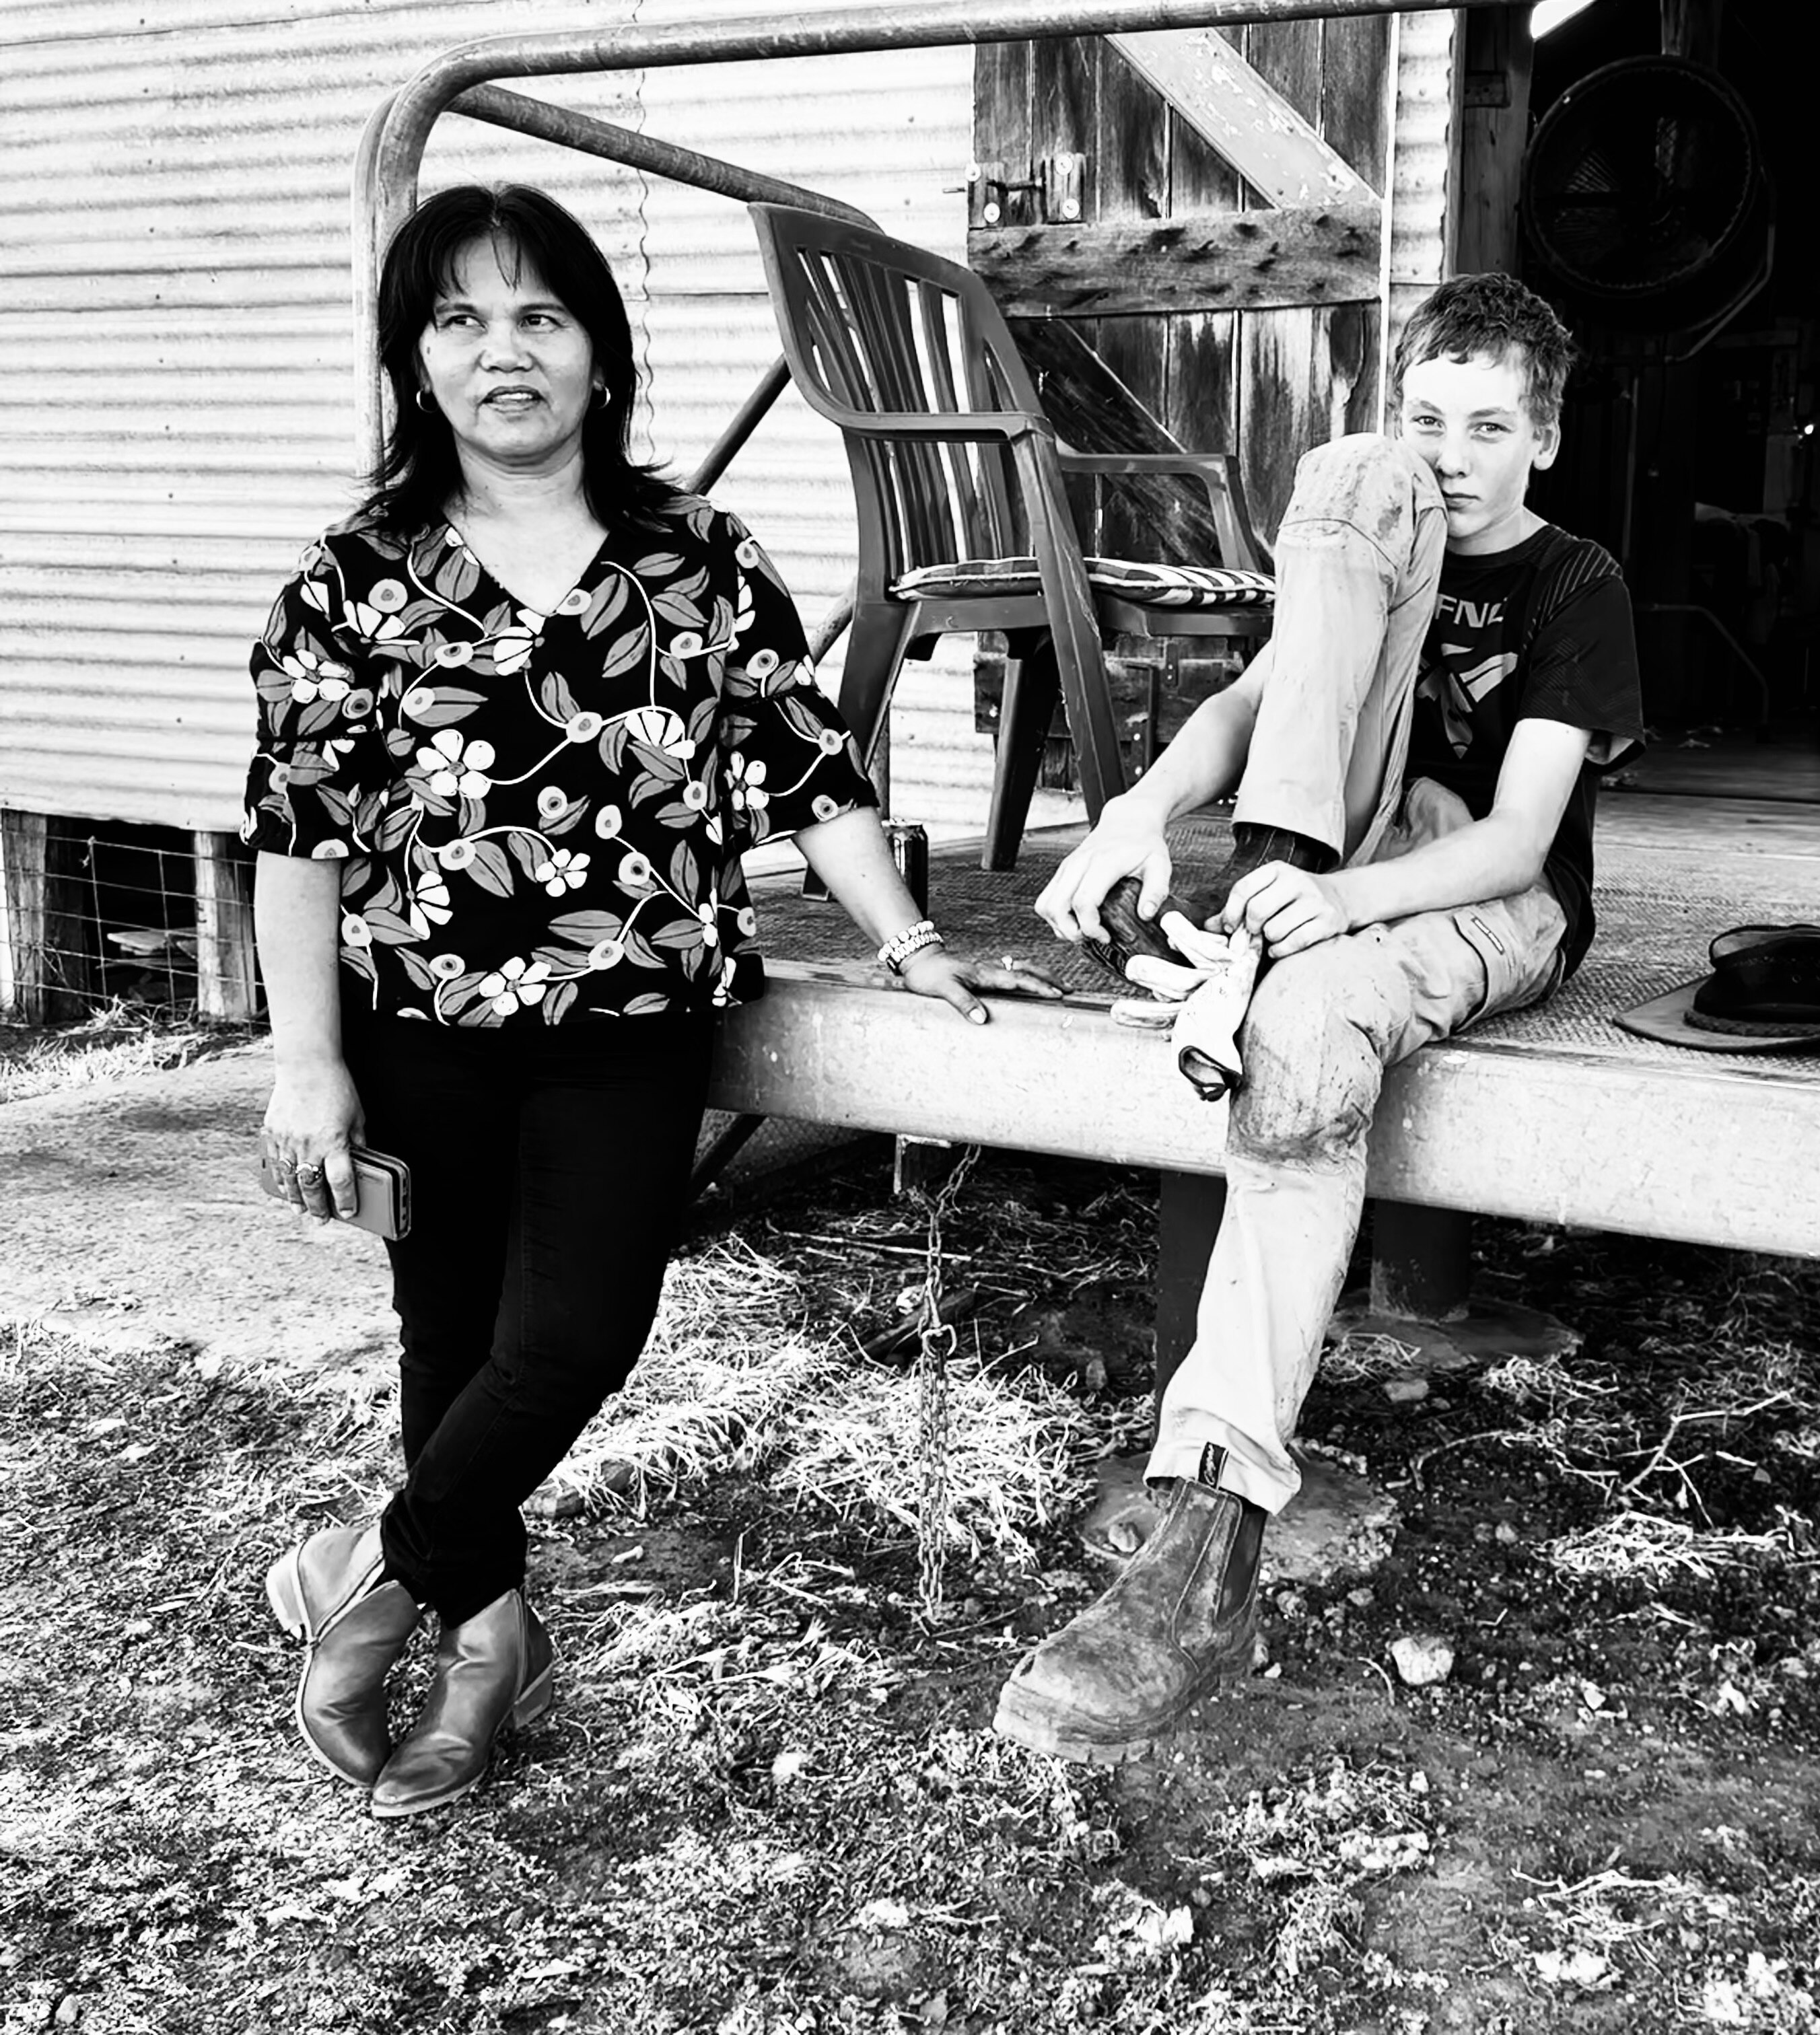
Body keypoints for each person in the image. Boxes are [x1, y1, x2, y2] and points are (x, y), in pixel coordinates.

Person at [244, 182, 1057, 1820]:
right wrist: (306, 1064)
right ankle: (491, 1647)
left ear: (600, 356)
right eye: (461, 320)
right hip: (418, 1022)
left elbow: (810, 770)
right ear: (415, 360)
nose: (504, 352)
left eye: (540, 317)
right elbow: (298, 838)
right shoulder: (353, 575)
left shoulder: (698, 559)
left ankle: (366, 1579)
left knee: (576, 1335)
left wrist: (912, 943)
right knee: (448, 1335)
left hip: (632, 1022)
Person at [992, 273, 1640, 1764]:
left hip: (1483, 893)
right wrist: (1138, 814)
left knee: (1295, 1036)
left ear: (1545, 438)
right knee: (1344, 484)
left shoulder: (1575, 584)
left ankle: (1211, 1538)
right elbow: (1252, 704)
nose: (1449, 457)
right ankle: (1261, 898)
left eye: (1489, 428)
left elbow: (1520, 842)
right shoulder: (1380, 529)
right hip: (1331, 854)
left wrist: (1338, 907)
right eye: (1428, 419)